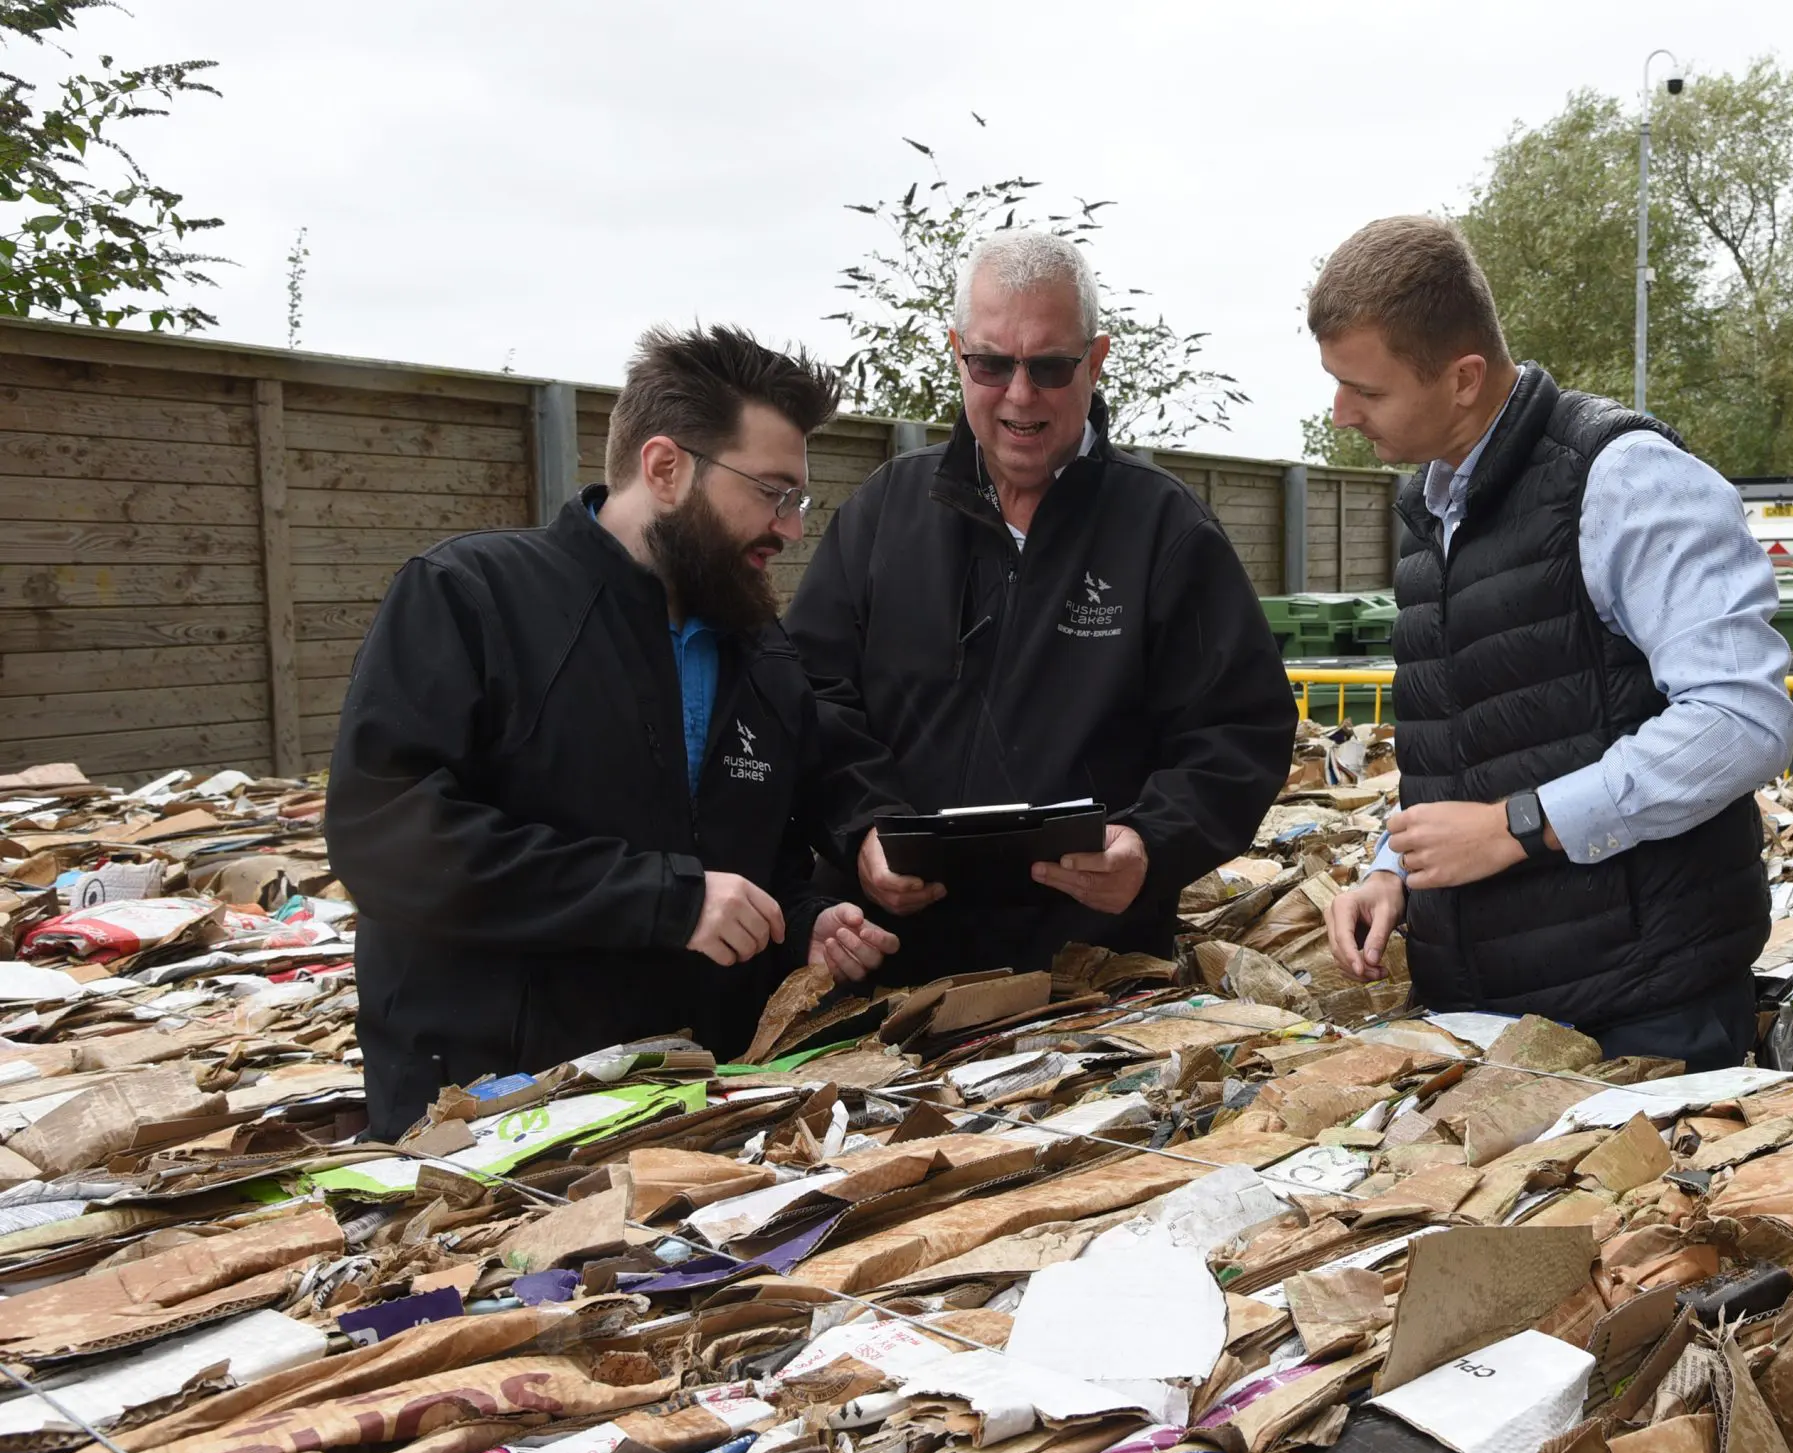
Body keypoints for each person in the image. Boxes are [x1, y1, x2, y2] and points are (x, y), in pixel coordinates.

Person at [327, 325, 899, 1137]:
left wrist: (803, 921)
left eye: (798, 499)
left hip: (698, 1122)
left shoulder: (763, 655)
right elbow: (388, 840)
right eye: (773, 492)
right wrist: (666, 901)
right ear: (665, 469)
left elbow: (757, 862)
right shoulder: (471, 599)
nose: (792, 526)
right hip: (493, 1125)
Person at [1312, 216, 1793, 1070]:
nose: (1342, 413)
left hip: (1644, 1015)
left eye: (1368, 391)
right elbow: (1481, 733)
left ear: (1463, 379)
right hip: (1488, 1011)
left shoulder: (1622, 479)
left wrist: (1518, 825)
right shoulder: (1434, 508)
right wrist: (1396, 868)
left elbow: (1742, 718)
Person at [786, 230, 1296, 980]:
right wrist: (861, 831)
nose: (1020, 396)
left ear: (1096, 359)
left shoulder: (1166, 531)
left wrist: (1150, 843)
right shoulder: (882, 514)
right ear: (957, 350)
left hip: (1090, 977)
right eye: (991, 363)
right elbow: (808, 694)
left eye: (1051, 367)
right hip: (892, 970)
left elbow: (1241, 729)